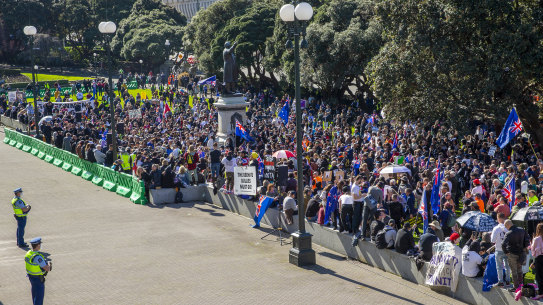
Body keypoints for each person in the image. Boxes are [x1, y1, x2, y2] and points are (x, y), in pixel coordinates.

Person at [503, 219, 530, 292]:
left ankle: (516, 287)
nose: (506, 228)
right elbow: (527, 241)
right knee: (520, 270)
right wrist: (524, 248)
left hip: (512, 254)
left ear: (507, 225)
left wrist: (506, 252)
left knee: (514, 271)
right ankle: (521, 285)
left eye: (506, 227)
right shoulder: (522, 230)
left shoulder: (508, 233)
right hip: (521, 253)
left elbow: (503, 244)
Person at [353, 182, 383, 246]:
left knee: (364, 220)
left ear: (376, 184)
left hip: (366, 205)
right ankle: (371, 235)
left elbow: (368, 195)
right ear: (381, 187)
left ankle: (363, 235)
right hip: (373, 207)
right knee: (372, 221)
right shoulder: (380, 191)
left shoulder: (370, 187)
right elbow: (380, 202)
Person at [25, 237, 51, 305]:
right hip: (38, 279)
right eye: (40, 244)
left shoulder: (28, 253)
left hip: (31, 277)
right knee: (39, 297)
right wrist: (48, 264)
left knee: (34, 295)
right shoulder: (38, 257)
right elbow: (47, 268)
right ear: (38, 245)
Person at [491, 212, 511, 287]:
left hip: (499, 249)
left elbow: (492, 240)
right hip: (507, 249)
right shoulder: (508, 228)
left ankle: (501, 281)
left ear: (498, 218)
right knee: (507, 266)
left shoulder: (496, 228)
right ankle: (508, 281)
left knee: (499, 266)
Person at [530, 223, 543, 300]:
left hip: (539, 258)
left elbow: (533, 252)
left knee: (539, 276)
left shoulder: (537, 239)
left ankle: (541, 293)